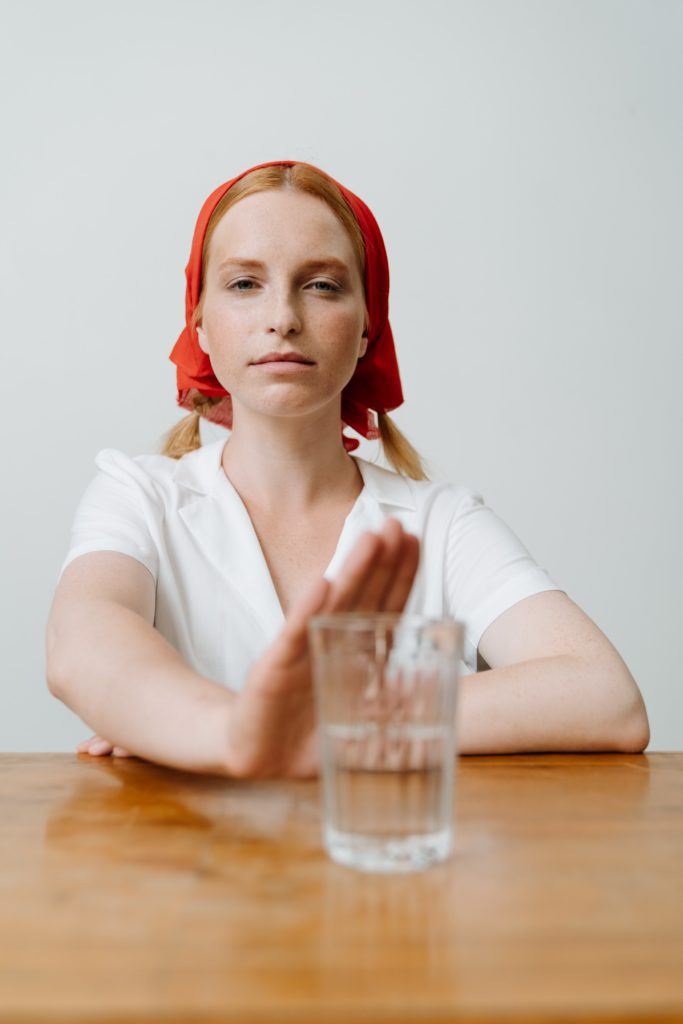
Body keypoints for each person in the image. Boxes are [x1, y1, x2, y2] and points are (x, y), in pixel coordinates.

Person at [46, 159, 650, 778]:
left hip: (384, 874)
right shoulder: (140, 495)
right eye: (245, 284)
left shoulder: (441, 523)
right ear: (198, 321)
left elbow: (606, 696)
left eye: (322, 285)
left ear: (368, 327)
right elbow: (84, 639)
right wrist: (234, 733)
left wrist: (315, 726)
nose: (282, 316)